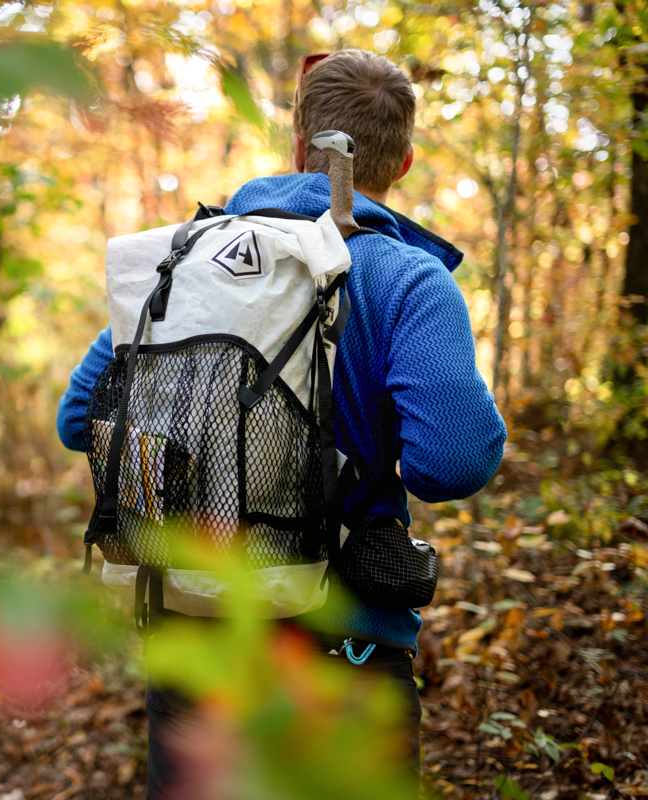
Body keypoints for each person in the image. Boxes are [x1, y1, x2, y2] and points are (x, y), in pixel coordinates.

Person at [56, 50, 507, 798]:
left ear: (300, 144)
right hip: (347, 644)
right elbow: (452, 462)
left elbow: (81, 419)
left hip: (196, 632)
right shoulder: (407, 280)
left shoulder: (183, 263)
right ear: (402, 164)